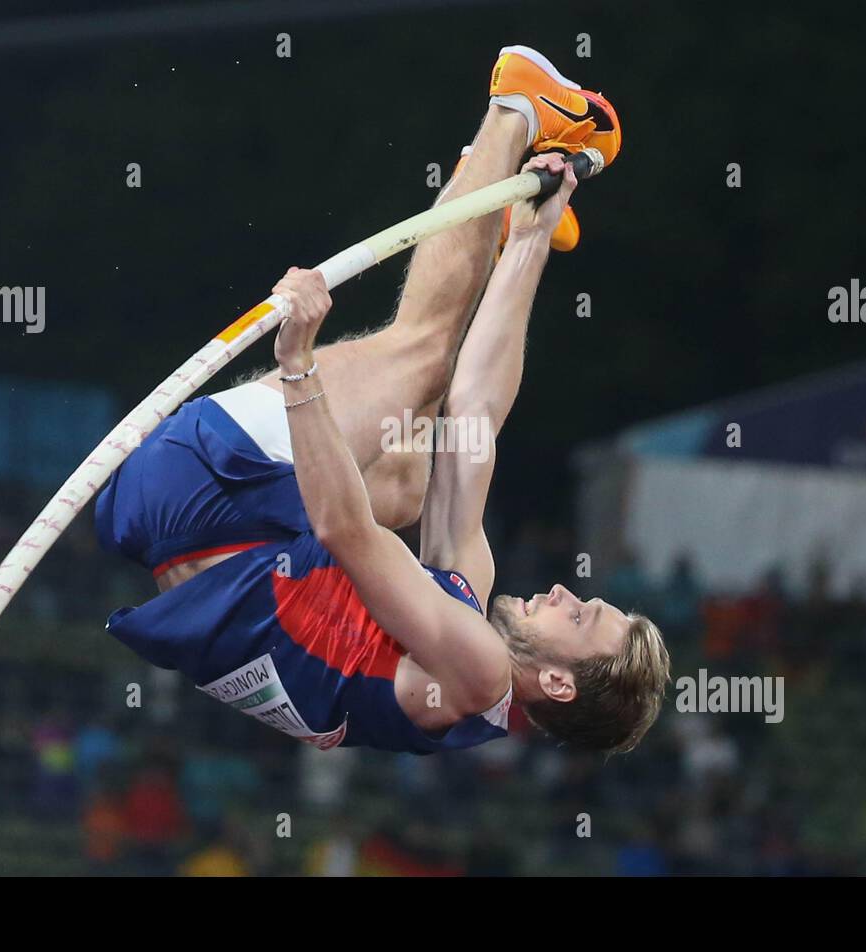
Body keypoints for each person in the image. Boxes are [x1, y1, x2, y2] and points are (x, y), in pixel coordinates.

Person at [96, 46, 668, 755]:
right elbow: (475, 425)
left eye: (580, 618)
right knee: (409, 476)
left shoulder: (478, 668)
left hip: (206, 489)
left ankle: (514, 108)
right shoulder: (464, 660)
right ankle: (485, 190)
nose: (564, 593)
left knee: (422, 353)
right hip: (183, 521)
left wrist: (298, 362)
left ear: (558, 683)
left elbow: (344, 529)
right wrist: (530, 240)